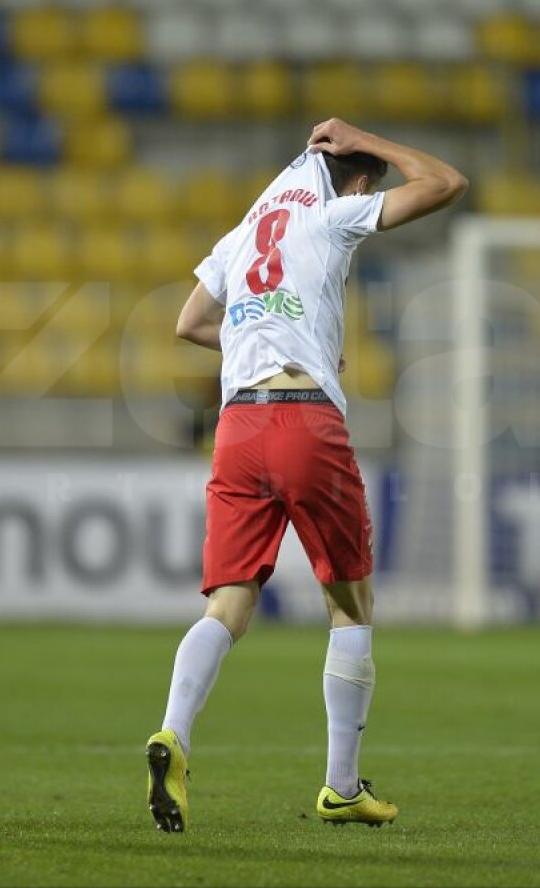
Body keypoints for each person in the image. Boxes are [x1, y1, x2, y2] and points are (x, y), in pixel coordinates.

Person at [144, 118, 467, 833]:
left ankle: (174, 731)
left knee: (227, 604)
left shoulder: (250, 223)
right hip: (303, 417)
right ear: (356, 179)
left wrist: (278, 335)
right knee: (349, 603)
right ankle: (341, 785)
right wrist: (371, 139)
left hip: (237, 425)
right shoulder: (333, 210)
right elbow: (446, 183)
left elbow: (190, 320)